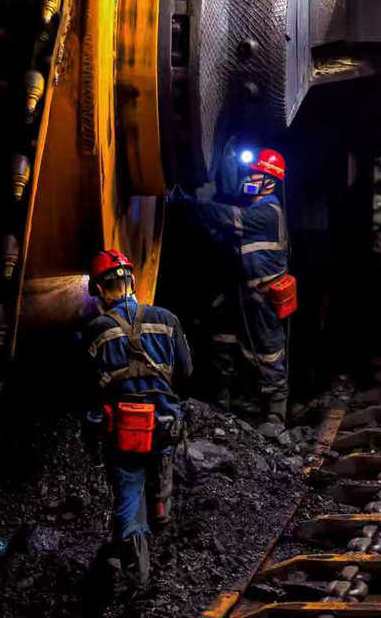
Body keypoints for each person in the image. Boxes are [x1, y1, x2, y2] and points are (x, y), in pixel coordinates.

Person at [79, 248, 192, 596]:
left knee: (129, 489)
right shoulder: (167, 319)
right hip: (165, 424)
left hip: (126, 431)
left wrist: (92, 426)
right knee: (162, 460)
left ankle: (137, 567)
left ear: (99, 290)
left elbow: (87, 388)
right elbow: (186, 371)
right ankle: (161, 506)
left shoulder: (96, 330)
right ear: (132, 282)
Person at [175, 145, 292, 426]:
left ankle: (275, 415)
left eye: (255, 174)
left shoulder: (268, 212)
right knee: (224, 342)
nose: (248, 178)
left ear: (270, 181)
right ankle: (223, 404)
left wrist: (186, 204)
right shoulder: (254, 207)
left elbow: (227, 218)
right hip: (240, 293)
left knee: (268, 351)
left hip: (262, 297)